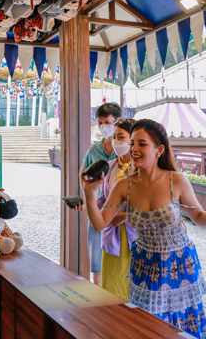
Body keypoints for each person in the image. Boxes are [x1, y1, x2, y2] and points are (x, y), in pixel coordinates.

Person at [81, 119, 206, 339]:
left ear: (159, 150)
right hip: (144, 265)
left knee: (182, 326)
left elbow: (199, 217)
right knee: (146, 326)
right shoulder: (123, 186)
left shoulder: (176, 180)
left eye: (142, 144)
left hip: (179, 264)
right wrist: (88, 194)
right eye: (132, 144)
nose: (134, 149)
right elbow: (101, 223)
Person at [79, 118, 137, 301]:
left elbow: (149, 204)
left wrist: (124, 216)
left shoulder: (141, 169)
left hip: (135, 236)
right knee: (111, 288)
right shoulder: (111, 166)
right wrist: (89, 204)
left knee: (132, 287)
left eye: (121, 136)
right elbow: (104, 198)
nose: (116, 141)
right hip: (111, 235)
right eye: (114, 137)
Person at [80, 102, 121, 286]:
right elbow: (83, 174)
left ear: (117, 121)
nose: (103, 126)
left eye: (107, 122)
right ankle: (97, 293)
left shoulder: (126, 150)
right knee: (96, 259)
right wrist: (88, 197)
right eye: (100, 123)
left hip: (120, 211)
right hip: (99, 208)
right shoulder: (94, 150)